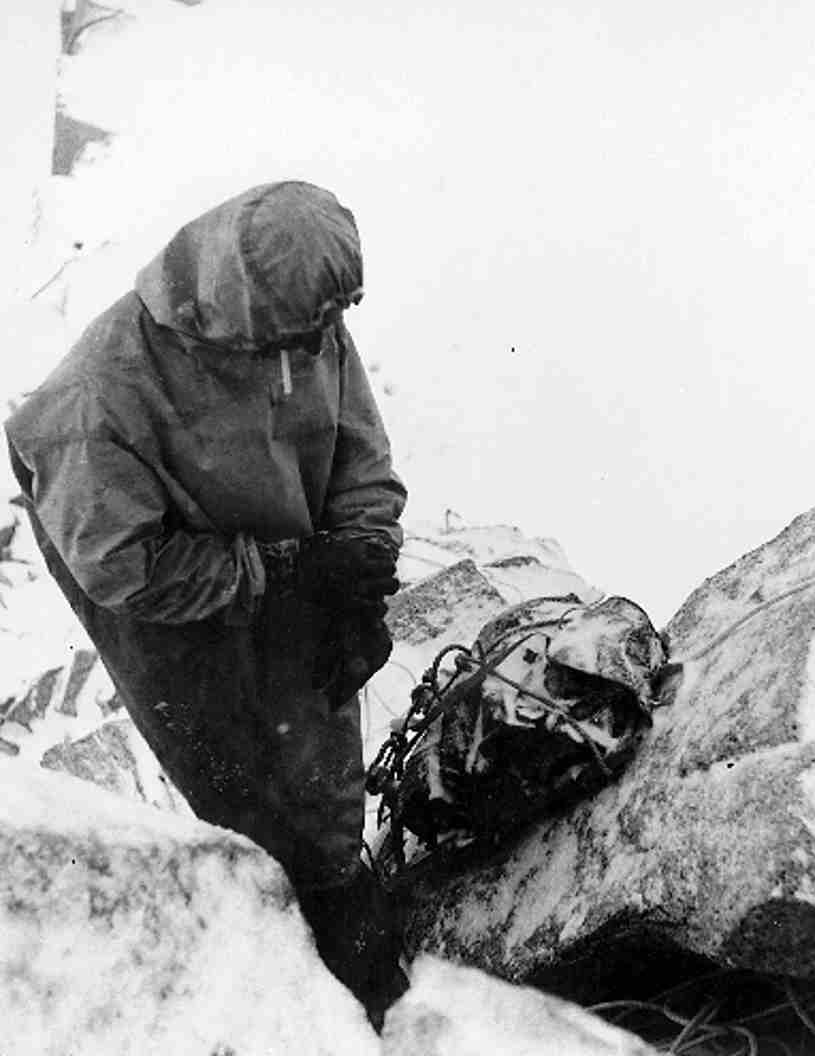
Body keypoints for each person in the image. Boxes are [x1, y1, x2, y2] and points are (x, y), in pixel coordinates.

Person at [5, 181, 408, 1026]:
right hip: (158, 588)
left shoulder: (304, 318)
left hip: (278, 552)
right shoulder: (98, 395)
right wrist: (286, 574)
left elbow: (359, 459)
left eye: (328, 327)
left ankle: (356, 947)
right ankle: (294, 993)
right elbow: (121, 565)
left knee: (323, 763)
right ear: (240, 304)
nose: (321, 345)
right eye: (301, 332)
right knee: (243, 787)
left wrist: (361, 570)